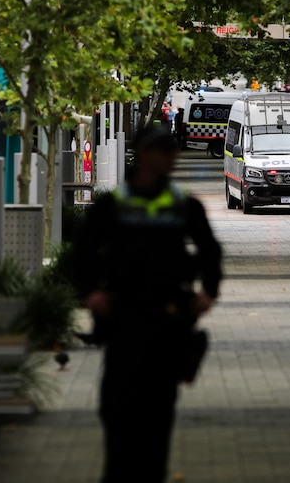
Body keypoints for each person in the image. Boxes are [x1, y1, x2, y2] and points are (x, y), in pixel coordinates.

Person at [72, 124, 223, 483]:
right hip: (123, 319)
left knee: (158, 413)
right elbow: (81, 254)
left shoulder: (184, 204)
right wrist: (90, 293)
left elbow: (209, 251)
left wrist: (208, 293)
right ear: (144, 156)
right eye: (165, 151)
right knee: (118, 409)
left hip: (168, 321)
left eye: (173, 151)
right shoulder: (114, 205)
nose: (173, 158)